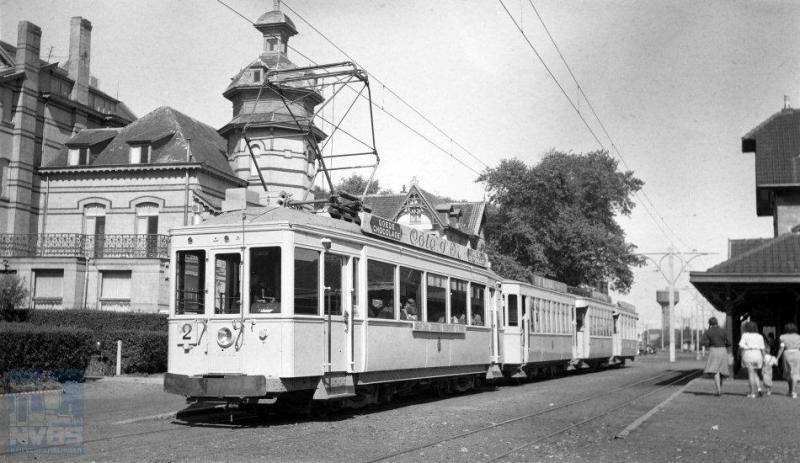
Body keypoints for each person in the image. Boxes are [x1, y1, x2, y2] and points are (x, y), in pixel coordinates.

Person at [700, 317, 730, 396]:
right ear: (717, 323)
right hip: (723, 350)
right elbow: (729, 342)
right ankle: (720, 385)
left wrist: (710, 343)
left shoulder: (708, 331)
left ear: (710, 324)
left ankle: (718, 390)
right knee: (722, 370)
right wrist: (724, 345)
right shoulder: (723, 331)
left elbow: (702, 342)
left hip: (714, 351)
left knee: (715, 371)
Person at [739, 321, 765, 398]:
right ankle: (759, 389)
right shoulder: (760, 336)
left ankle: (752, 393)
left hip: (748, 353)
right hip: (758, 354)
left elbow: (741, 346)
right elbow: (763, 348)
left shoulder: (745, 335)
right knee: (755, 372)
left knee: (750, 373)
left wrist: (741, 354)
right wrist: (764, 358)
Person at [777, 322, 800, 399]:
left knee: (788, 372)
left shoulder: (782, 337)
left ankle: (791, 391)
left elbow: (781, 348)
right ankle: (792, 391)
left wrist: (777, 358)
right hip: (797, 354)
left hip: (787, 354)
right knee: (795, 373)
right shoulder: (798, 337)